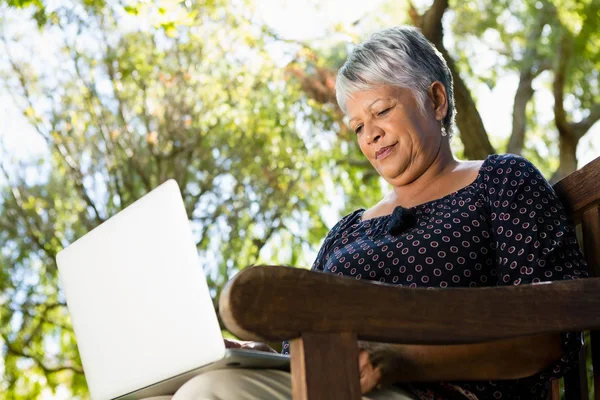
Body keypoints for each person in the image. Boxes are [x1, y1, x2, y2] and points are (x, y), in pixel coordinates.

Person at [146, 25, 589, 400]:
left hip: (438, 392)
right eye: (358, 125)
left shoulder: (500, 182)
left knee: (213, 392)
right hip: (335, 385)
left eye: (381, 110)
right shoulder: (348, 230)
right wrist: (253, 352)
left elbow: (548, 338)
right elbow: (296, 348)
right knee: (184, 384)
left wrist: (400, 362)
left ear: (435, 101)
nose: (371, 134)